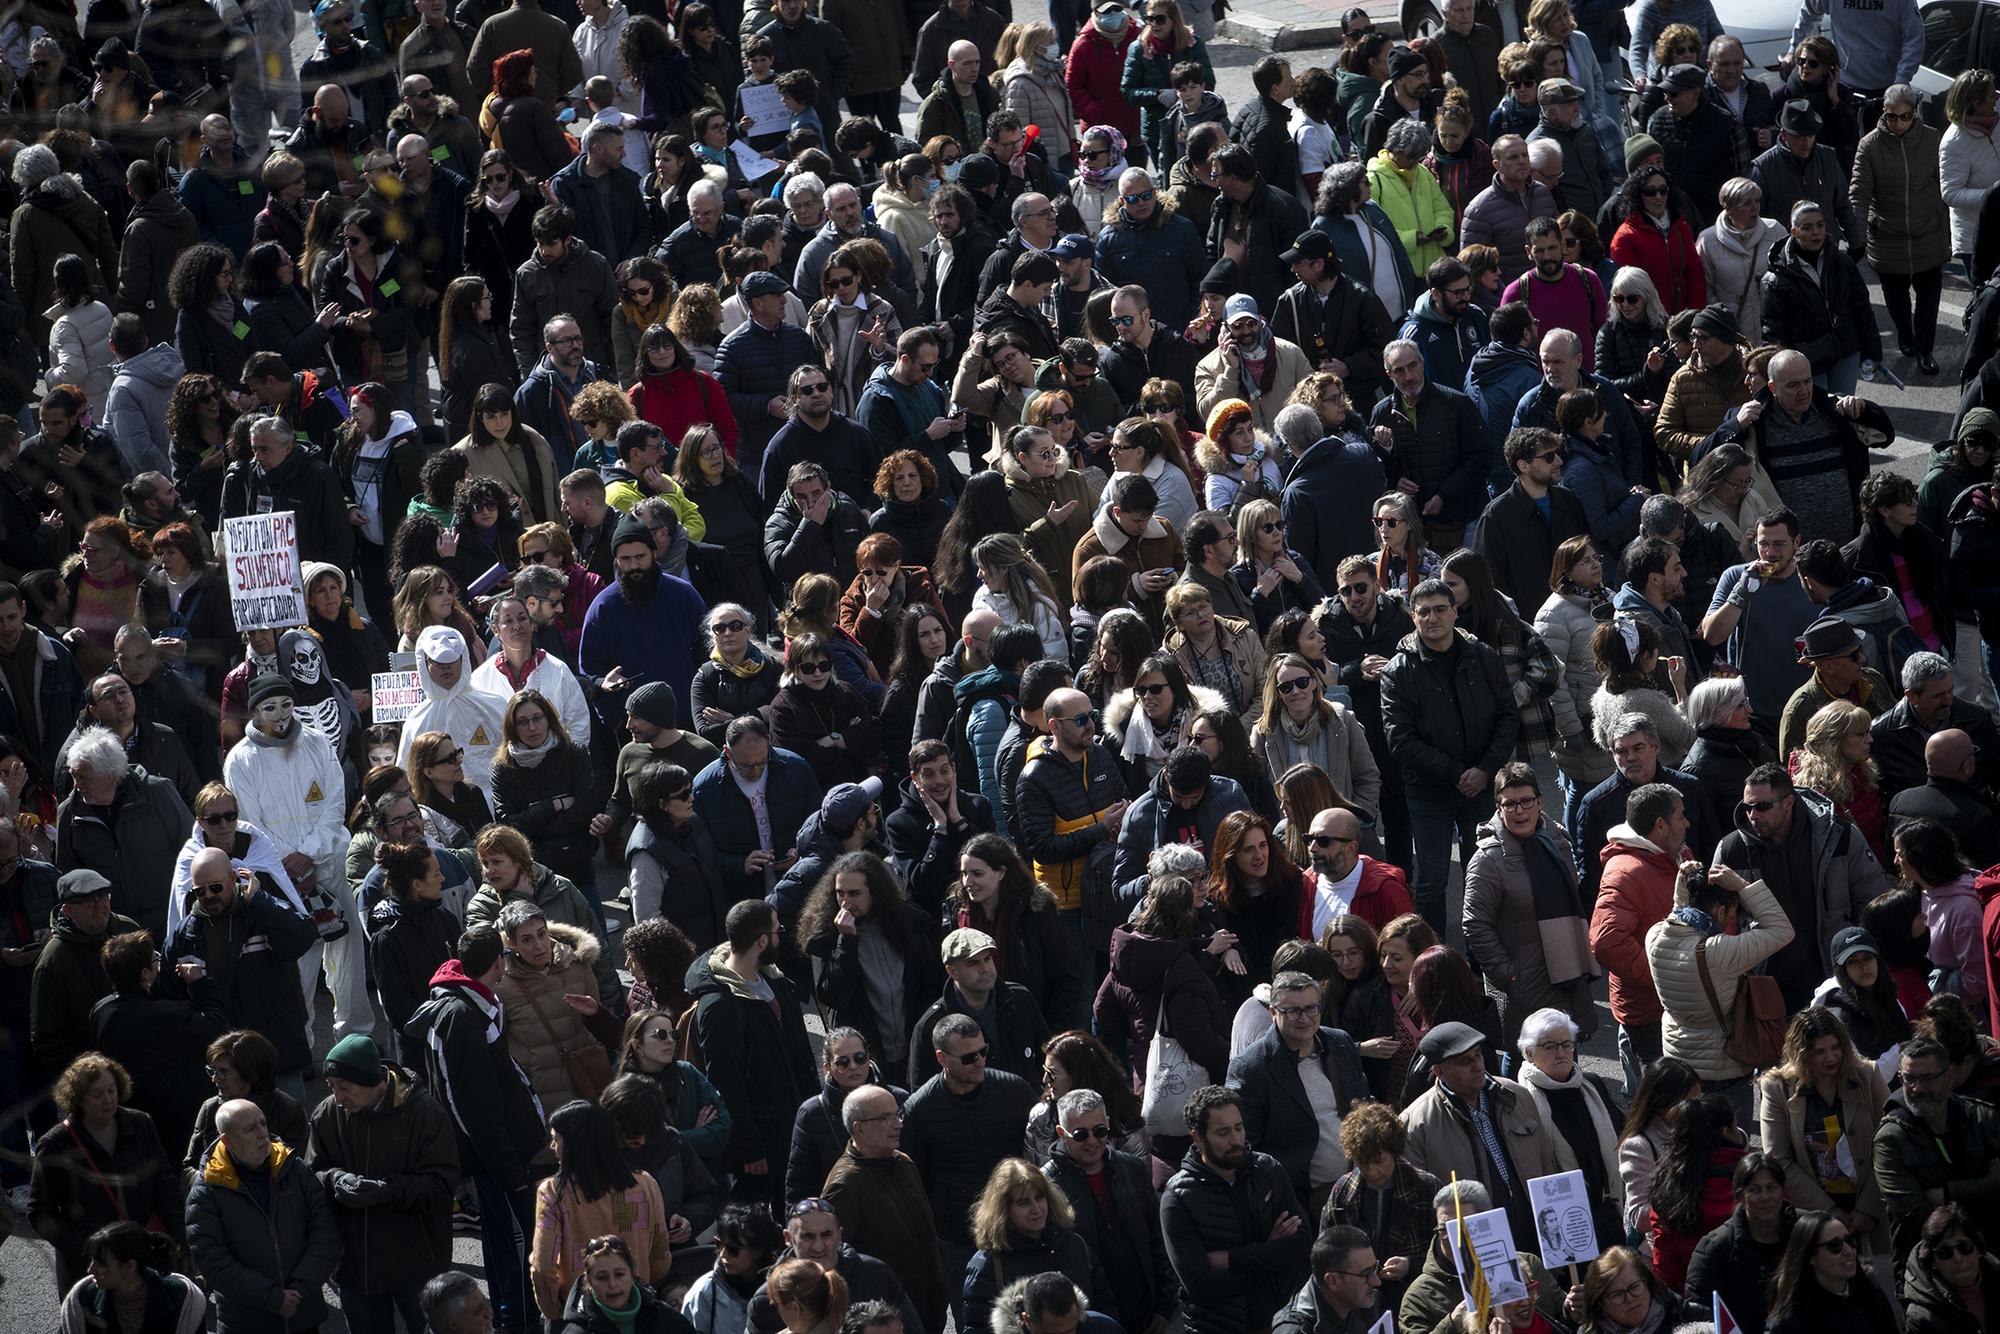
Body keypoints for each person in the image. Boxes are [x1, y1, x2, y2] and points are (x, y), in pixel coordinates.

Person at [223, 674, 366, 1046]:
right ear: (255, 711)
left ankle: (356, 1034)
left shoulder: (318, 743)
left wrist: (310, 856)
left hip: (330, 864)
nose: (280, 714)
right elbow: (251, 825)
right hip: (283, 879)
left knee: (349, 957)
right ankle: (300, 1044)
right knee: (299, 965)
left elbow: (335, 804)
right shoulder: (241, 760)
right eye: (270, 707)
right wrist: (291, 867)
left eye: (286, 705)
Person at [1380, 578, 1519, 934]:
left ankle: (1484, 954)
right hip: (1430, 794)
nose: (1432, 618)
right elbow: (1401, 740)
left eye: (1440, 609)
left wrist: (1485, 770)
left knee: (1486, 874)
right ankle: (1433, 958)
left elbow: (1507, 716)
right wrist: (1460, 773)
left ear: (1455, 612)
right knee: (1430, 882)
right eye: (1423, 612)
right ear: (1413, 617)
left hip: (1482, 787)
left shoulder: (1483, 656)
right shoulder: (1397, 671)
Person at [306, 1033, 459, 1334]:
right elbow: (311, 1176)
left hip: (416, 1262)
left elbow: (441, 1185)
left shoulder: (426, 1114)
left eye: (345, 1088)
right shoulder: (326, 1115)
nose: (337, 1098)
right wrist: (334, 1178)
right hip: (354, 1266)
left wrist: (385, 1191)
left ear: (375, 1083)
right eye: (332, 1087)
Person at [1462, 763, 1596, 1055]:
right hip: (1524, 982)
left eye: (1526, 801)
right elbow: (1475, 924)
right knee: (1525, 1058)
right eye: (1510, 804)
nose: (1520, 811)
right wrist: (1508, 975)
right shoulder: (1487, 860)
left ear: (1540, 802)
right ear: (1498, 808)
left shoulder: (1557, 840)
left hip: (1566, 971)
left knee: (1564, 1055)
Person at [27, 1052, 185, 1296]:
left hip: (142, 1257)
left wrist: (179, 1239)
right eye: (97, 1094)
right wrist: (91, 1250)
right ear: (78, 1099)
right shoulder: (56, 1144)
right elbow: (40, 1212)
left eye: (111, 1090)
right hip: (89, 1269)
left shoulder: (141, 1123)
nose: (108, 1100)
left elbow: (165, 1184)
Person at [1160, 1084, 1311, 1333]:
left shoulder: (1268, 1171)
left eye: (1239, 1128)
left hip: (1283, 1320)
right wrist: (1271, 1252)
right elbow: (1200, 1285)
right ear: (1198, 1137)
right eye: (1223, 1133)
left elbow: (1302, 1243)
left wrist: (1230, 1259)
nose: (1236, 1139)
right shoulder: (1179, 1198)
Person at [184, 1096, 342, 1334]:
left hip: (302, 1313)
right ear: (227, 1140)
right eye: (250, 1129)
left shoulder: (294, 1169)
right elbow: (212, 1260)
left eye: (263, 1124)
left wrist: (300, 1288)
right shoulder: (208, 1189)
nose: (262, 1133)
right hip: (248, 1322)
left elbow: (325, 1230)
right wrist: (272, 1297)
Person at [1400, 1020, 1562, 1245]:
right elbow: (1422, 1207)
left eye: (1478, 1055)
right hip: (1480, 1250)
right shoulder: (1416, 1123)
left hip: (1537, 1238)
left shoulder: (1516, 1095)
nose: (1477, 1066)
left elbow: (1547, 1165)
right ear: (1439, 1071)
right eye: (1465, 1061)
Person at [530, 1099, 674, 1323]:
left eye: (556, 1139)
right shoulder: (645, 1183)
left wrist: (555, 1309)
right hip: (637, 1306)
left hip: (582, 1313)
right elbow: (660, 1253)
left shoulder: (553, 1193)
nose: (552, 1147)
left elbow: (542, 1266)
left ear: (573, 1144)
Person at [1764, 1209, 1899, 1333]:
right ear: (1810, 1256)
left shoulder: (1871, 1294)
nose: (1848, 1251)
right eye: (1835, 1246)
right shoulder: (1791, 1321)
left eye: (1850, 1241)